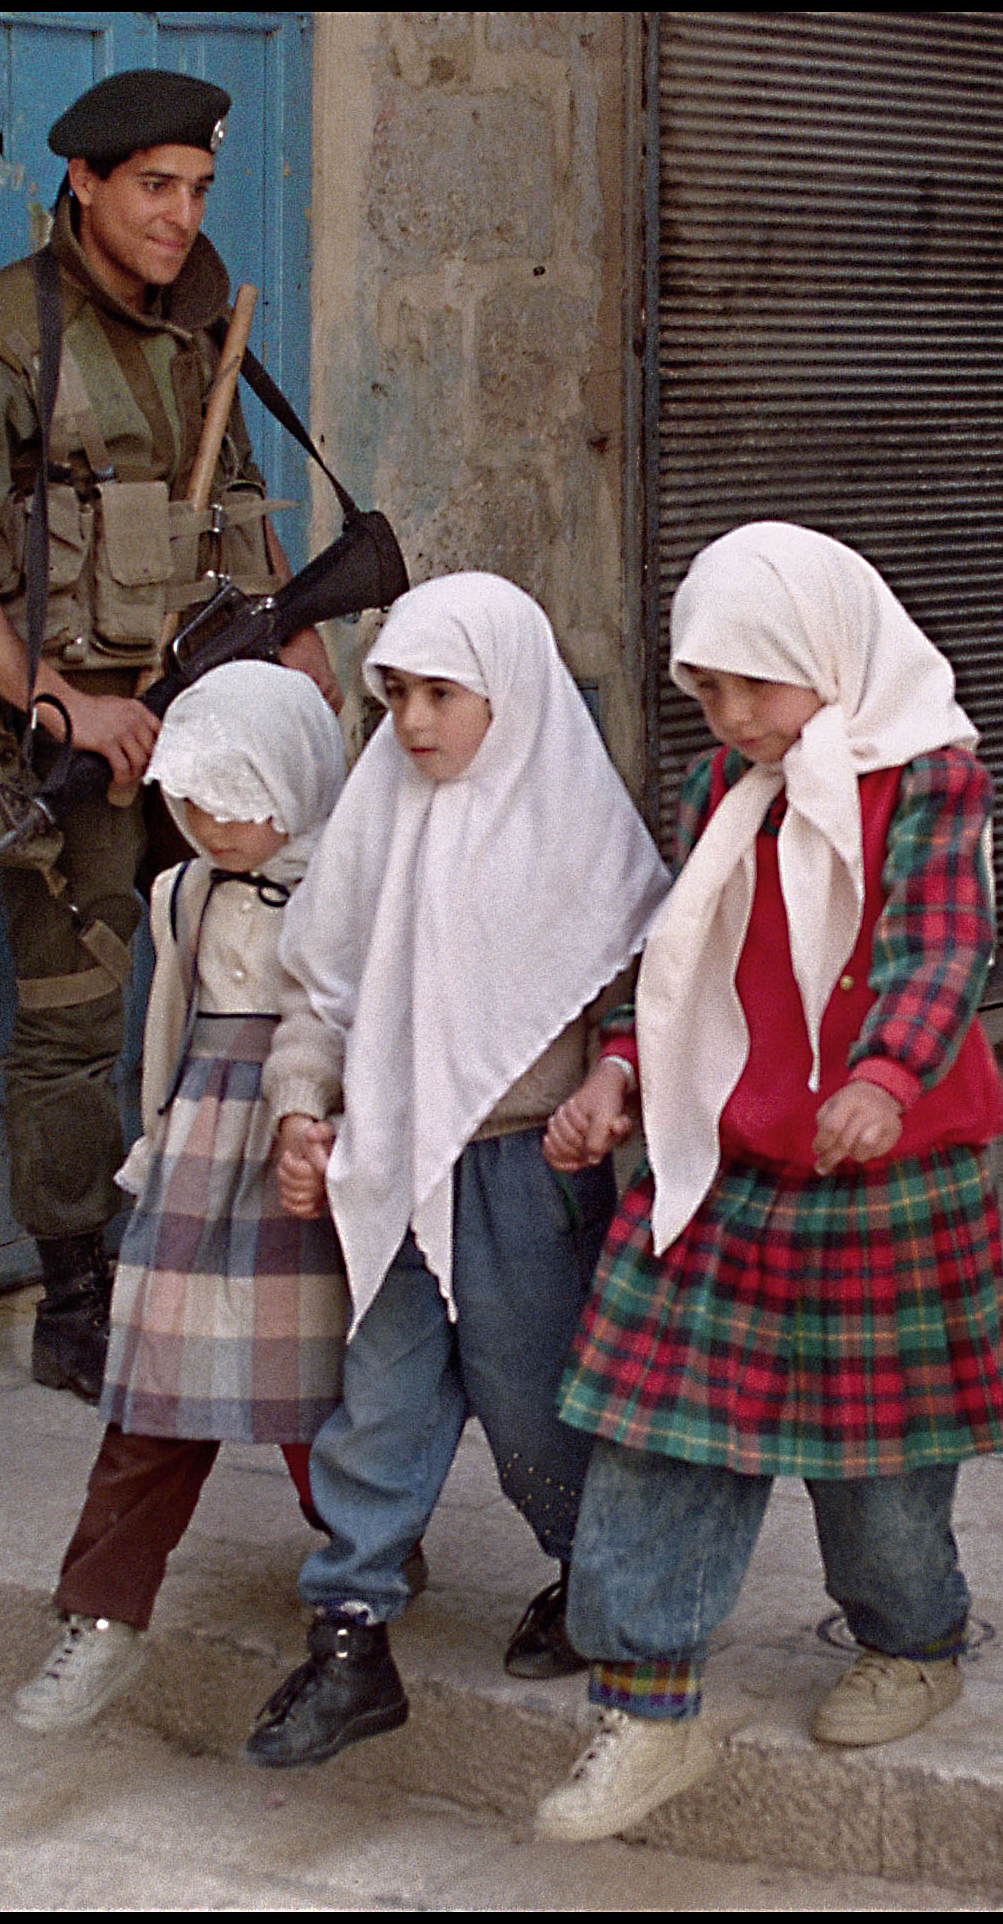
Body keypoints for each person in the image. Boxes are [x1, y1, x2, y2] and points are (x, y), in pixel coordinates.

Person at [533, 521, 1003, 1843]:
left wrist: (883, 1077)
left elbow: (941, 946)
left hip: (887, 1176)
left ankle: (913, 1639)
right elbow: (679, 965)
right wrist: (619, 1075)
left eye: (760, 682)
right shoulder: (715, 793)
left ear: (835, 657)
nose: (733, 715)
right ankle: (646, 1712)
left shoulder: (930, 780)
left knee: (880, 1477)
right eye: (708, 686)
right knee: (656, 1440)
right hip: (727, 1165)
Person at [0, 69, 340, 1404]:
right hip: (69, 740)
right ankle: (76, 1293)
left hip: (204, 709)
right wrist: (58, 702)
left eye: (197, 188)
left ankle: (218, 1229)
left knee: (242, 968)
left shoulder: (199, 329)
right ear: (82, 183)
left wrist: (296, 637)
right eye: (152, 188)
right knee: (76, 1011)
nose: (181, 216)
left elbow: (237, 501)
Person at [241, 572, 672, 1769]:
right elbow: (317, 996)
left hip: (521, 1172)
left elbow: (648, 985)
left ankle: (595, 1582)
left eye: (443, 692)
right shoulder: (379, 821)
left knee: (538, 1401)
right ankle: (348, 1633)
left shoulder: (577, 827)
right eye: (394, 696)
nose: (415, 722)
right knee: (378, 1400)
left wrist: (612, 1087)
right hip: (387, 1165)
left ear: (511, 692)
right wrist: (298, 1112)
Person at [11, 659, 351, 1732]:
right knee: (153, 1381)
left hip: (304, 1168)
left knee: (316, 1385)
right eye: (190, 798)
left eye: (233, 799)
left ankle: (363, 1558)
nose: (207, 822)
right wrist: (155, 1148)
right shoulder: (181, 890)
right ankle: (102, 1615)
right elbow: (167, 1032)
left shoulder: (348, 890)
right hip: (200, 1159)